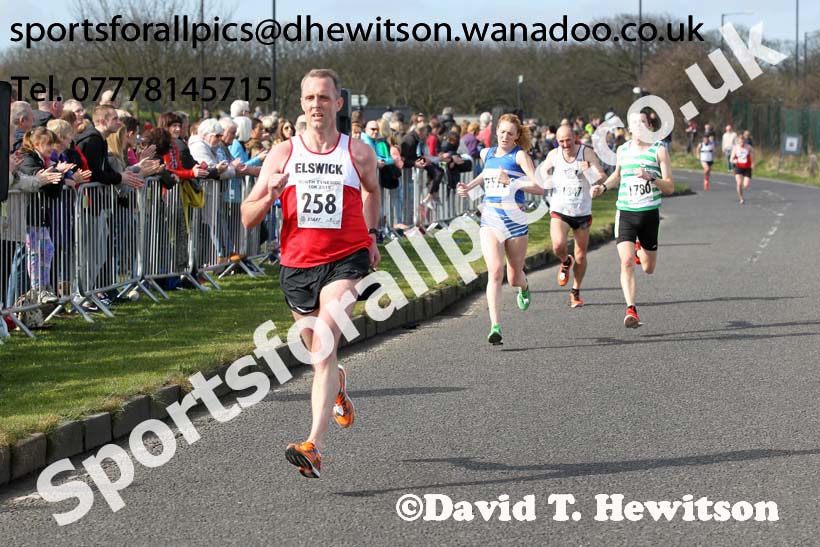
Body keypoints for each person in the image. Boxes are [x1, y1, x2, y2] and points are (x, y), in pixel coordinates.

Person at [241, 68, 380, 479]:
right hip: (297, 265)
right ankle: (337, 383)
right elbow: (248, 218)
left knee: (321, 346)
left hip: (347, 260)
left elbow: (373, 191)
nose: (316, 105)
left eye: (323, 97)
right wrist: (270, 192)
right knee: (319, 353)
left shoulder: (358, 153)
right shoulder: (283, 154)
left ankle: (313, 446)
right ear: (300, 105)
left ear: (339, 103)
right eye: (309, 98)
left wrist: (370, 234)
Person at [456, 114, 542, 344]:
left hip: (515, 219)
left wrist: (512, 183)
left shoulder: (520, 156)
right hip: (491, 219)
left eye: (510, 133)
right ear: (496, 132)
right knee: (495, 271)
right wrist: (469, 187)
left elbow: (539, 187)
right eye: (502, 132)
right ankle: (495, 326)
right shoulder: (487, 153)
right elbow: (487, 174)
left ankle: (524, 286)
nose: (505, 136)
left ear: (516, 137)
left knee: (513, 277)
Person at [591, 110, 674, 328]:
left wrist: (651, 177)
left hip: (649, 214)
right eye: (635, 124)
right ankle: (631, 309)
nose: (639, 127)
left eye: (643, 123)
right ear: (629, 129)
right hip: (626, 212)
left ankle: (640, 250)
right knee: (626, 262)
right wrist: (603, 186)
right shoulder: (623, 150)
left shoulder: (659, 151)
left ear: (650, 126)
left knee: (648, 268)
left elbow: (670, 187)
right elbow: (617, 175)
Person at [541, 125, 604, 308]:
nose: (565, 144)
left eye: (568, 140)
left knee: (581, 256)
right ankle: (565, 261)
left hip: (582, 211)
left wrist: (589, 171)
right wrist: (547, 178)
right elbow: (544, 170)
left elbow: (601, 176)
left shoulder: (587, 153)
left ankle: (575, 291)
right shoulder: (554, 155)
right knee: (558, 245)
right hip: (560, 209)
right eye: (561, 141)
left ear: (574, 137)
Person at [731, 135, 753, 204]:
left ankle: (740, 190)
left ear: (745, 141)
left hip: (747, 167)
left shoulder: (748, 147)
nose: (742, 143)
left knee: (746, 185)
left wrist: (753, 162)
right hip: (739, 167)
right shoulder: (735, 148)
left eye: (743, 142)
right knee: (739, 183)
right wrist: (734, 161)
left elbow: (754, 154)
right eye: (740, 142)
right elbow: (731, 159)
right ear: (738, 142)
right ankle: (741, 198)